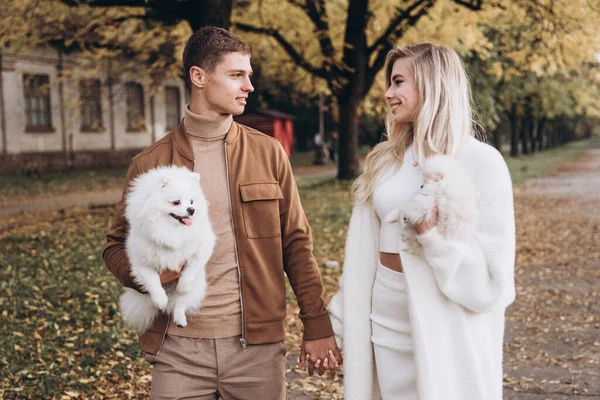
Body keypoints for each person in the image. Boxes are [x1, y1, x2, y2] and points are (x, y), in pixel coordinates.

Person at [104, 26, 341, 400]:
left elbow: (296, 242)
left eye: (249, 76)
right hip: (177, 347)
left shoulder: (268, 153)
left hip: (256, 351)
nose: (249, 86)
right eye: (236, 75)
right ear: (199, 77)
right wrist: (147, 276)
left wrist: (317, 323)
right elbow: (115, 245)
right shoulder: (150, 164)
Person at [328, 43, 516, 399]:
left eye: (398, 82)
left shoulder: (481, 162)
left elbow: (494, 283)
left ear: (432, 84)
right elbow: (361, 254)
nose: (387, 93)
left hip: (442, 327)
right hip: (383, 321)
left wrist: (432, 239)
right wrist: (339, 323)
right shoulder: (386, 160)